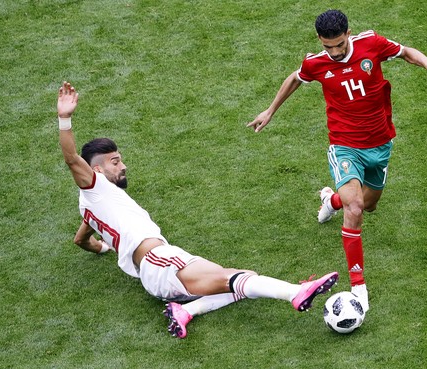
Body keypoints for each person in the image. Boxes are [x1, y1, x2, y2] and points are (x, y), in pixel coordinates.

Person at [57, 81, 338, 339]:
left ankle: (186, 311)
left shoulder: (91, 208)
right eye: (115, 162)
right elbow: (71, 158)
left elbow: (80, 240)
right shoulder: (94, 188)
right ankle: (296, 292)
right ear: (95, 170)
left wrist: (103, 248)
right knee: (232, 279)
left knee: (241, 278)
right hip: (160, 261)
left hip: (157, 269)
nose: (123, 166)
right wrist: (65, 118)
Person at [247, 9, 427, 312]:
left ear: (348, 34)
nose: (333, 52)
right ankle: (358, 286)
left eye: (338, 45)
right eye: (326, 46)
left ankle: (331, 201)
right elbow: (296, 78)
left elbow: (405, 52)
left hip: (380, 142)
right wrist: (269, 111)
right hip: (345, 145)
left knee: (369, 205)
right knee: (355, 207)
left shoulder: (372, 44)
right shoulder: (316, 63)